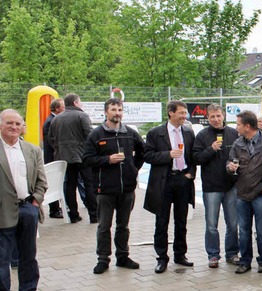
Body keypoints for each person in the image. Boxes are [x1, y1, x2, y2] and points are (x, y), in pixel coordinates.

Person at [83, 98, 145, 274]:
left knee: (123, 225)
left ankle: (123, 256)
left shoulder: (131, 133)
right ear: (106, 112)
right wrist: (107, 160)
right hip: (105, 189)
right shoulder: (96, 135)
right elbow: (87, 159)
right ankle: (103, 259)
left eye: (119, 110)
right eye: (113, 110)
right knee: (104, 226)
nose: (117, 113)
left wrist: (134, 169)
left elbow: (143, 151)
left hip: (127, 188)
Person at [143, 100, 197, 274]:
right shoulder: (156, 133)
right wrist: (168, 155)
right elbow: (148, 156)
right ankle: (161, 258)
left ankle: (180, 255)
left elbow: (193, 156)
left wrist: (190, 173)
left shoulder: (188, 133)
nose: (184, 116)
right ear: (170, 113)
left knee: (181, 221)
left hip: (182, 180)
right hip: (164, 181)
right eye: (181, 113)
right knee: (162, 222)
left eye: (185, 113)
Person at [0, 109, 48, 291]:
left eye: (18, 124)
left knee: (28, 257)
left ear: (22, 128)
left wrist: (35, 203)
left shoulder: (32, 150)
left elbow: (42, 181)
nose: (14, 127)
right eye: (9, 123)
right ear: (0, 125)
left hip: (28, 209)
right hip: (2, 212)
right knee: (2, 259)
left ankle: (28, 288)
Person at [192, 104, 241, 268]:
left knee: (233, 224)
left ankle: (232, 253)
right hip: (211, 187)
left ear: (223, 116)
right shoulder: (202, 135)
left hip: (231, 186)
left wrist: (237, 166)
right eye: (212, 116)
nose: (216, 119)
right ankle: (213, 255)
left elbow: (242, 156)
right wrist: (210, 149)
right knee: (211, 224)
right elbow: (196, 158)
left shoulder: (234, 134)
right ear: (207, 118)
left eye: (218, 116)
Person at [227, 110, 262, 274]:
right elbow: (230, 162)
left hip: (261, 193)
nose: (236, 127)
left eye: (238, 124)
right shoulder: (237, 143)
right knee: (244, 230)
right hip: (242, 193)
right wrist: (230, 167)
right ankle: (245, 261)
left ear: (247, 126)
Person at [48, 93, 97, 223]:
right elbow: (90, 136)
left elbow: (51, 139)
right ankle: (94, 215)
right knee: (89, 184)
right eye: (80, 102)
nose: (81, 104)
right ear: (75, 103)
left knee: (70, 185)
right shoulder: (82, 115)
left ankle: (73, 215)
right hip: (82, 156)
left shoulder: (56, 119)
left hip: (63, 158)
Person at [43, 98, 65, 219]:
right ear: (57, 108)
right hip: (52, 158)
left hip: (54, 156)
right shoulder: (50, 121)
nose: (65, 109)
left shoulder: (53, 120)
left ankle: (57, 208)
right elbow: (51, 141)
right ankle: (54, 210)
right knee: (52, 184)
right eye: (63, 107)